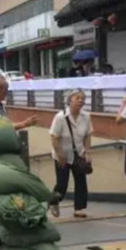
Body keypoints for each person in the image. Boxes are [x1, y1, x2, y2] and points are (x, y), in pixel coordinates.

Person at [48, 89, 93, 219]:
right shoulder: (60, 117)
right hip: (61, 154)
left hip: (79, 154)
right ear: (69, 101)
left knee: (81, 181)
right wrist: (60, 155)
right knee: (62, 183)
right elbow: (54, 137)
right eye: (77, 98)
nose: (81, 100)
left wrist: (87, 151)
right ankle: (54, 201)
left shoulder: (86, 116)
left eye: (82, 98)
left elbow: (88, 134)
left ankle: (79, 208)